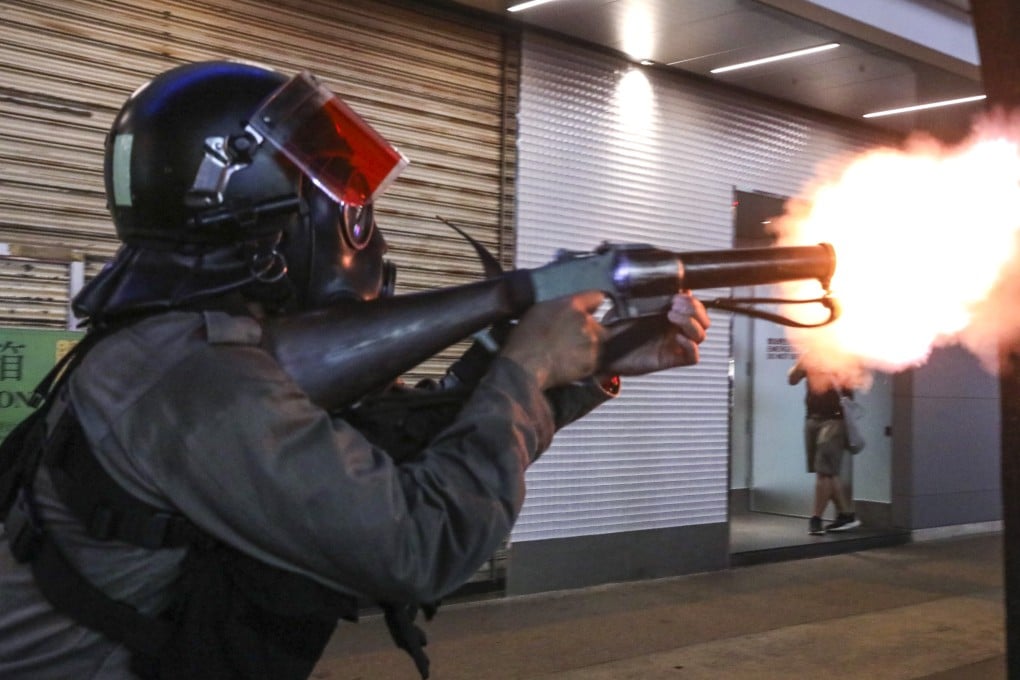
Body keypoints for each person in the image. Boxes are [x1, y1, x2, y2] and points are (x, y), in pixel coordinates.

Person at [0, 61, 710, 680]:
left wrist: (580, 366)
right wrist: (525, 369)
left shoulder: (178, 344)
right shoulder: (200, 379)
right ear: (265, 216)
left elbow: (383, 450)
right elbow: (421, 542)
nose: (360, 217)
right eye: (339, 192)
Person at [788, 355, 861, 536]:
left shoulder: (844, 354)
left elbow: (853, 380)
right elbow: (792, 379)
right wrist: (802, 362)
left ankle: (816, 519)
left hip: (834, 420)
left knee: (824, 472)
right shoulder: (811, 356)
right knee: (828, 473)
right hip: (812, 418)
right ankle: (846, 515)